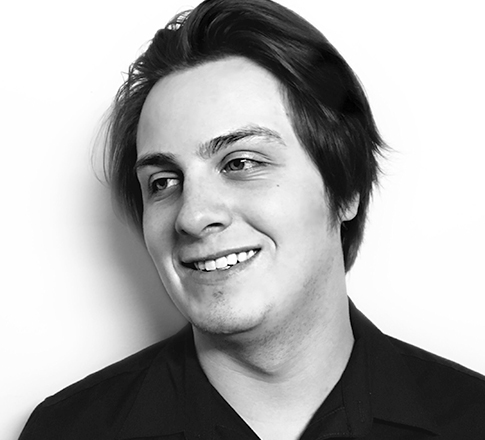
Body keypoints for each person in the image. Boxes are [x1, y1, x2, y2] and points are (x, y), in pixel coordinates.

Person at [19, 0, 485, 439]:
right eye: (163, 181)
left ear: (346, 190)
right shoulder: (68, 430)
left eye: (240, 163)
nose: (192, 216)